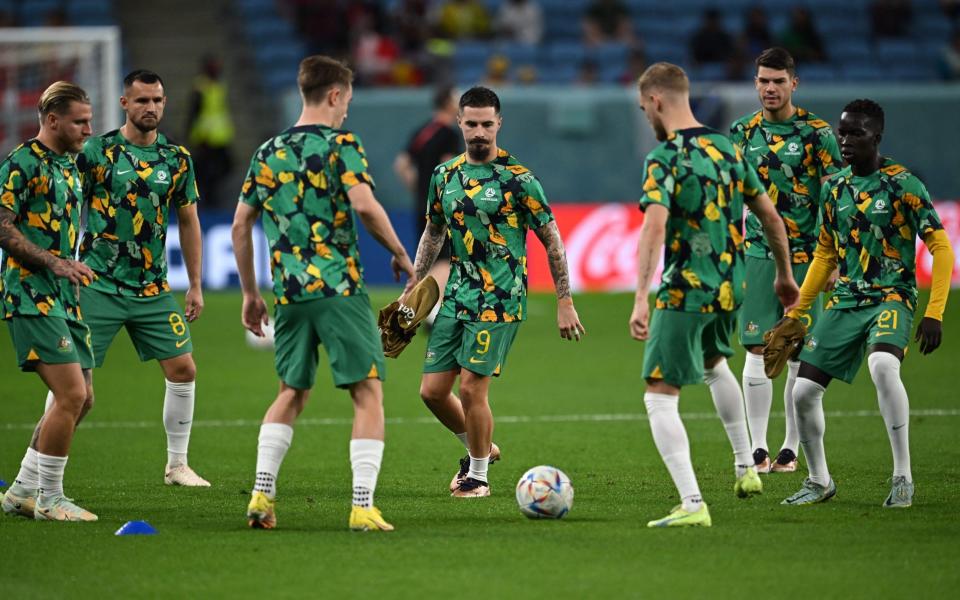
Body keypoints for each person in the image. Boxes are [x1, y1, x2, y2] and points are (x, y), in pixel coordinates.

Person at [233, 55, 415, 531]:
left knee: (291, 391)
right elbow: (364, 205)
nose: (348, 111)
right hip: (338, 287)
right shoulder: (341, 144)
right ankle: (361, 505)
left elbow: (240, 224)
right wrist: (399, 252)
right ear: (334, 95)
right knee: (367, 393)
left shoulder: (267, 151)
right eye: (348, 101)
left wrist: (251, 293)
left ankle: (261, 495)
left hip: (289, 293)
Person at [629, 63, 798, 528]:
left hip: (686, 287)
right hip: (731, 286)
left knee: (659, 395)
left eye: (645, 107)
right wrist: (784, 276)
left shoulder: (664, 157)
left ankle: (691, 503)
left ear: (657, 100)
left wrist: (641, 296)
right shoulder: (728, 148)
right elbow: (770, 217)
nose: (646, 115)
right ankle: (747, 468)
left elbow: (654, 225)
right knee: (714, 364)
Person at [411, 86, 585, 498]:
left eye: (487, 124)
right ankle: (481, 448)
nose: (479, 132)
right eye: (471, 123)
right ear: (459, 123)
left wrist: (565, 300)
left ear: (499, 123)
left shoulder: (519, 180)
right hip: (456, 294)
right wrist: (414, 286)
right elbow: (433, 233)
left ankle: (478, 476)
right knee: (432, 392)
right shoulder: (445, 176)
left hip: (501, 297)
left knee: (471, 387)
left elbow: (552, 240)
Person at [781, 99, 954, 508]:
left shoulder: (903, 184)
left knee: (882, 366)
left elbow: (941, 248)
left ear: (876, 137)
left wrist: (934, 311)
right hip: (846, 299)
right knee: (802, 392)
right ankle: (819, 479)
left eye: (855, 132)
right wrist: (799, 311)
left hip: (892, 296)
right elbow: (825, 254)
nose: (845, 140)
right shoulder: (835, 187)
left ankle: (902, 476)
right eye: (842, 131)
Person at [730, 48, 842, 474]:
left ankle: (790, 449)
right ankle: (758, 449)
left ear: (794, 83)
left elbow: (834, 198)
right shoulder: (741, 131)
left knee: (798, 349)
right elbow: (730, 193)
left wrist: (835, 259)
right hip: (758, 252)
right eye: (762, 81)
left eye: (778, 81)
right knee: (758, 345)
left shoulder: (818, 134)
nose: (769, 88)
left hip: (811, 257)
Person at [0, 81, 99, 521]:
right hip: (29, 293)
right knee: (71, 394)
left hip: (63, 295)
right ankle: (50, 499)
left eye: (89, 120)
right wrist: (54, 262)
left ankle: (22, 489)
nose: (87, 129)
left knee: (84, 397)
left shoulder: (70, 166)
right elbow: (2, 226)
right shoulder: (21, 163)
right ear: (52, 120)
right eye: (80, 121)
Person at [393, 85, 463, 308]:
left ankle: (420, 307)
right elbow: (448, 169)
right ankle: (430, 310)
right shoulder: (449, 134)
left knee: (427, 258)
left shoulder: (423, 131)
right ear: (448, 104)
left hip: (421, 205)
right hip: (441, 207)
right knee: (446, 259)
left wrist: (420, 190)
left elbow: (402, 165)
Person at [186, 56, 234, 207]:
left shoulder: (220, 85)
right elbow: (194, 112)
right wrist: (193, 135)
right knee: (205, 173)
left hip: (220, 136)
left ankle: (213, 199)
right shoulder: (201, 87)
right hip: (205, 138)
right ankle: (206, 202)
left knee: (226, 167)